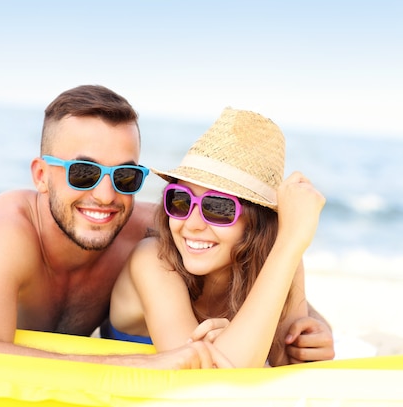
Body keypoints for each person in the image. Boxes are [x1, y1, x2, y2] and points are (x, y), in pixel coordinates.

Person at [0, 85, 334, 367]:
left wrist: (313, 325)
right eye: (83, 173)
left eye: (124, 176)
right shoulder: (6, 232)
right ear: (41, 175)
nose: (104, 195)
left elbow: (249, 271)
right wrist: (149, 367)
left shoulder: (153, 227)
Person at [105, 108, 326, 367]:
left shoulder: (279, 258)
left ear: (258, 225)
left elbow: (286, 367)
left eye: (218, 208)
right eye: (180, 200)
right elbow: (206, 376)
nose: (193, 224)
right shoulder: (152, 259)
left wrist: (310, 345)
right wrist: (290, 242)